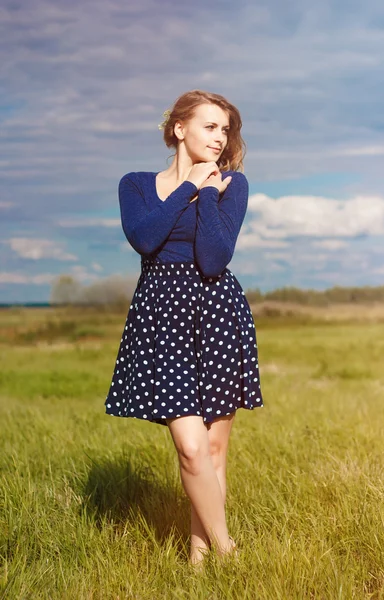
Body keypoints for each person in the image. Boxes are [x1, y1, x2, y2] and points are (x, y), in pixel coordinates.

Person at [105, 89, 264, 568]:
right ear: (179, 129)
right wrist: (189, 187)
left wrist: (211, 193)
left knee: (214, 448)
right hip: (161, 317)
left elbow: (215, 257)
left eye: (225, 129)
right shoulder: (134, 184)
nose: (220, 137)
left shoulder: (232, 185)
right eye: (210, 126)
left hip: (218, 312)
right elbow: (145, 239)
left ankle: (199, 557)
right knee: (191, 447)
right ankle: (229, 551)